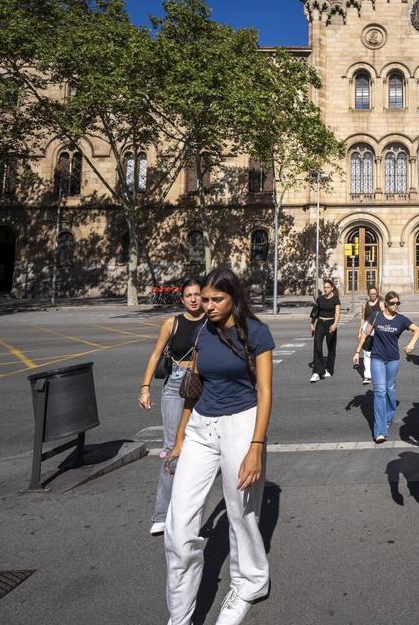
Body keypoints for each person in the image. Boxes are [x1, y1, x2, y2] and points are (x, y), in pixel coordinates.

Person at [164, 267, 276, 625]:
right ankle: (179, 615)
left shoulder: (256, 333)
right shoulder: (202, 332)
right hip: (201, 427)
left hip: (241, 425)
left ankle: (249, 583)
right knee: (178, 524)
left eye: (216, 300)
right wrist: (180, 438)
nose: (207, 306)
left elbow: (265, 391)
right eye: (204, 299)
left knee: (240, 512)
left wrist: (256, 446)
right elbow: (192, 387)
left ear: (234, 298)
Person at [138, 278, 205, 535]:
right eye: (189, 295)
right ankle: (162, 514)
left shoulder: (211, 321)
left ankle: (190, 514)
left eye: (197, 294)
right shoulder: (172, 323)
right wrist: (145, 388)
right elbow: (156, 354)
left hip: (205, 385)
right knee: (171, 447)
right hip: (176, 384)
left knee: (205, 447)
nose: (193, 299)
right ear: (182, 299)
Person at [355, 291, 419, 442]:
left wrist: (411, 343)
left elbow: (417, 330)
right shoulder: (376, 316)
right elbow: (365, 334)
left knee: (390, 390)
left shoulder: (401, 320)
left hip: (393, 360)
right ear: (385, 304)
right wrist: (357, 352)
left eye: (398, 303)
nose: (396, 306)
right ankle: (380, 431)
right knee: (379, 391)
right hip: (377, 358)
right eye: (393, 303)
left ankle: (389, 416)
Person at [309, 279, 341, 383]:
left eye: (328, 287)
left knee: (331, 347)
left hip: (331, 324)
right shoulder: (320, 299)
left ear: (332, 288)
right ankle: (317, 372)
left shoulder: (336, 299)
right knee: (317, 345)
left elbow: (337, 313)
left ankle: (329, 369)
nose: (326, 289)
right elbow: (315, 312)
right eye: (325, 287)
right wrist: (312, 324)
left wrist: (335, 324)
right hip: (320, 324)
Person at [354, 286, 383, 384]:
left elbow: (383, 316)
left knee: (378, 352)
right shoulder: (365, 305)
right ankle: (367, 376)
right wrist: (360, 331)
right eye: (371, 294)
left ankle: (378, 372)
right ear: (368, 294)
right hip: (366, 329)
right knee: (366, 352)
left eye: (375, 293)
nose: (373, 295)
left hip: (378, 329)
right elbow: (362, 318)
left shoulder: (381, 303)